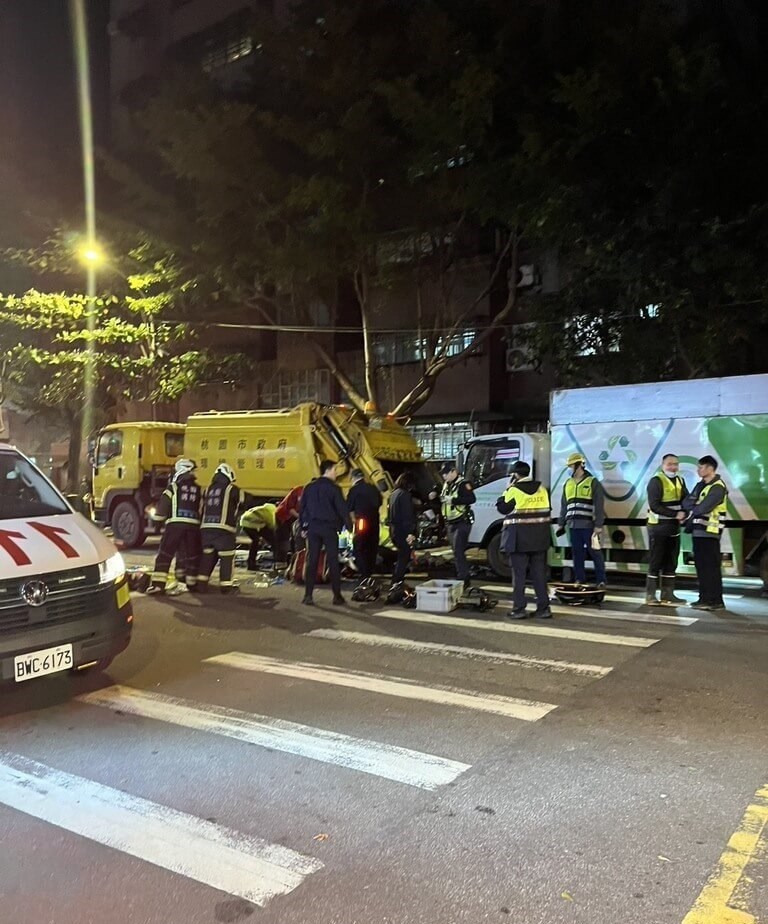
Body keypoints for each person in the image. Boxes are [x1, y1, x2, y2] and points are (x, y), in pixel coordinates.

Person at [496, 460, 552, 619]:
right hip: (540, 538)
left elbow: (502, 508)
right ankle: (544, 608)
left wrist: (506, 490)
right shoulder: (542, 490)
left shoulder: (513, 490)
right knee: (539, 575)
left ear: (514, 475)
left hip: (519, 540)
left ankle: (519, 609)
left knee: (519, 576)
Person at [299, 460, 353, 606]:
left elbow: (302, 509)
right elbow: (343, 510)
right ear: (328, 470)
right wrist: (349, 528)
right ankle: (337, 596)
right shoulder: (334, 489)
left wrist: (303, 528)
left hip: (313, 528)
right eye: (335, 470)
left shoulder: (309, 488)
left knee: (312, 561)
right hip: (329, 529)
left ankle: (308, 596)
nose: (336, 473)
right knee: (333, 561)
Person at [681, 455, 729, 611]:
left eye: (701, 467)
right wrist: (695, 504)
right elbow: (686, 502)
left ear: (710, 468)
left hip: (710, 533)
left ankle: (715, 600)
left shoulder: (718, 487)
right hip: (698, 532)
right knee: (701, 568)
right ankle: (704, 598)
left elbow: (703, 508)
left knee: (711, 568)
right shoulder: (701, 485)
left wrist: (695, 505)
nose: (698, 470)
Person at [148, 458, 203, 594]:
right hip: (193, 527)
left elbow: (163, 507)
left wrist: (157, 522)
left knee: (165, 554)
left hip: (175, 526)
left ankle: (158, 585)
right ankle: (191, 583)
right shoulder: (198, 489)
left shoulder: (173, 487)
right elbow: (201, 509)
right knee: (190, 555)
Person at [556, 452, 606, 588]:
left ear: (579, 465)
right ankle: (580, 579)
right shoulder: (568, 483)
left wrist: (598, 525)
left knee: (595, 552)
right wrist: (561, 524)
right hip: (573, 525)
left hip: (589, 525)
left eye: (571, 465)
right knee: (577, 554)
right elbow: (564, 506)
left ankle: (601, 580)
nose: (569, 468)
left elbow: (599, 504)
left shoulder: (592, 482)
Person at [645, 453, 689, 605]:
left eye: (676, 464)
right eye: (670, 464)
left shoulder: (680, 480)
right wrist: (676, 514)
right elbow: (654, 505)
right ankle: (650, 596)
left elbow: (686, 499)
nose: (673, 467)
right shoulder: (656, 481)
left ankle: (668, 595)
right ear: (663, 465)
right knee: (656, 561)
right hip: (658, 527)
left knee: (671, 561)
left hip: (673, 526)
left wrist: (686, 511)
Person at [196, 463, 240, 594]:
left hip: (206, 530)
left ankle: (201, 584)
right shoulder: (231, 489)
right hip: (224, 530)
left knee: (207, 557)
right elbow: (244, 500)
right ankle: (226, 587)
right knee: (227, 557)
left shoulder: (208, 489)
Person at [437, 462, 476, 589]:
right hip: (450, 523)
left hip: (462, 522)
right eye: (443, 475)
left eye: (447, 474)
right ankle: (462, 575)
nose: (444, 477)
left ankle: (464, 578)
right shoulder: (447, 484)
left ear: (454, 472)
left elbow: (471, 499)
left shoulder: (464, 484)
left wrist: (453, 500)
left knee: (459, 550)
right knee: (455, 551)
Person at [347, 468, 383, 581]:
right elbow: (379, 502)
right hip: (375, 522)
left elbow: (349, 507)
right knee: (372, 547)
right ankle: (369, 572)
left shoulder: (354, 490)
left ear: (353, 478)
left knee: (360, 546)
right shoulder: (373, 488)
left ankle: (364, 574)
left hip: (362, 521)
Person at [388, 472, 417, 585]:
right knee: (404, 557)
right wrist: (410, 532)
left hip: (394, 530)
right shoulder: (405, 495)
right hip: (403, 531)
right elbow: (407, 515)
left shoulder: (394, 494)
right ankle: (397, 581)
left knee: (401, 555)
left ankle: (396, 580)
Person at [240, 503, 279, 569]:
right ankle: (251, 564)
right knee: (256, 541)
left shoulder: (263, 508)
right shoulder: (271, 512)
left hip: (245, 521)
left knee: (257, 541)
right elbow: (272, 526)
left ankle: (251, 563)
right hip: (250, 524)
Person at [275, 485, 304, 562]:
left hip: (292, 517)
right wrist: (300, 517)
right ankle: (281, 561)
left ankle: (291, 558)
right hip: (283, 516)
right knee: (284, 539)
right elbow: (290, 508)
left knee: (293, 538)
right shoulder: (298, 491)